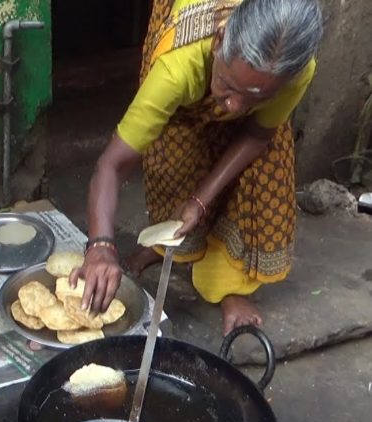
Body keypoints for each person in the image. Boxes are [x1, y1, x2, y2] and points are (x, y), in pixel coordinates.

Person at [73, 0, 324, 336]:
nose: (234, 107)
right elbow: (112, 164)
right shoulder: (178, 67)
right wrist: (100, 247)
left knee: (265, 171)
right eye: (229, 87)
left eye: (256, 98)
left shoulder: (294, 71)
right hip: (187, 46)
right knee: (176, 151)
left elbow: (256, 134)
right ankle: (163, 246)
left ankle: (231, 286)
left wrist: (200, 201)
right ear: (219, 42)